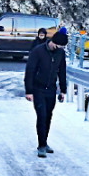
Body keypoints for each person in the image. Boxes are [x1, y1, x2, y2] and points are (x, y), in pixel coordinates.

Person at [24, 27, 68, 158]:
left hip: (51, 89)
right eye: (59, 45)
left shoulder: (60, 53)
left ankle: (45, 141)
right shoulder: (38, 51)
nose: (60, 48)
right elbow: (30, 71)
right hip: (38, 89)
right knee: (41, 116)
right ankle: (41, 145)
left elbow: (62, 71)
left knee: (48, 116)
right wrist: (29, 91)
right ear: (53, 42)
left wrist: (63, 90)